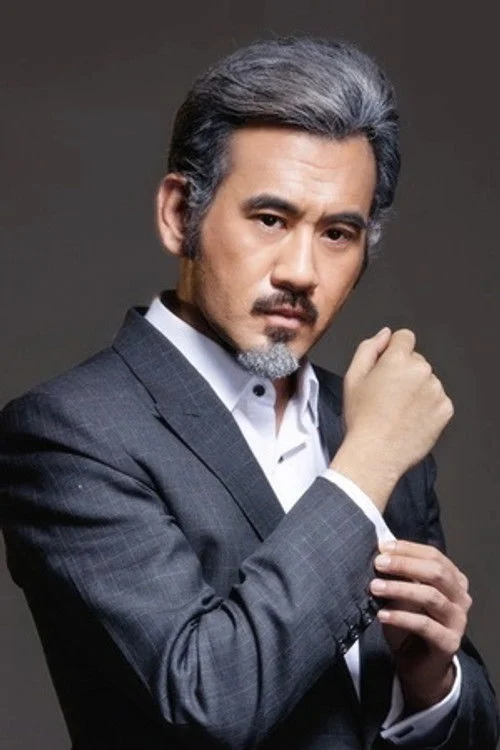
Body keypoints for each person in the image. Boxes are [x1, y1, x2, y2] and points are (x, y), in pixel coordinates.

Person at [0, 37, 498, 750]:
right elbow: (208, 703)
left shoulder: (362, 423)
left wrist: (431, 686)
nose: (301, 271)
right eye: (271, 219)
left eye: (337, 233)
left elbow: (473, 723)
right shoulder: (69, 435)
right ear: (181, 214)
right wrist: (369, 463)